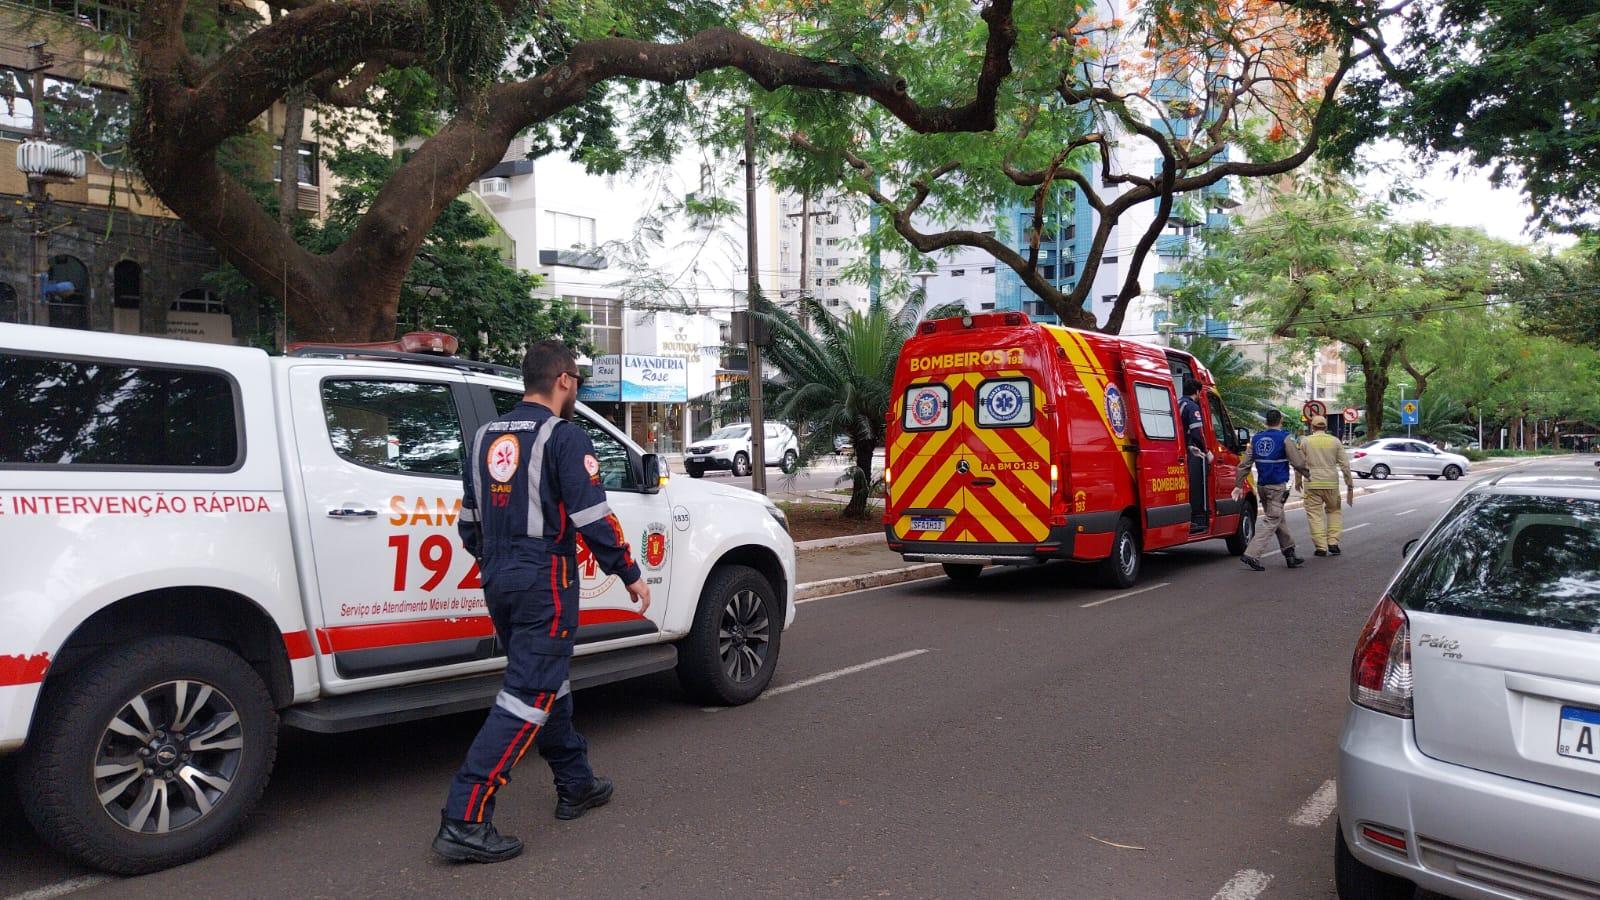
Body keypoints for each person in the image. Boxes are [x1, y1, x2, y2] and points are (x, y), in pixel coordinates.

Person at [433, 340, 651, 864]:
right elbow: (593, 518)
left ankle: (576, 781)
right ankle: (465, 817)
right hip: (544, 582)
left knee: (549, 681)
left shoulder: (485, 435)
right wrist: (630, 573)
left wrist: (498, 562)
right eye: (575, 380)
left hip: (500, 579)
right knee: (526, 694)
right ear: (564, 381)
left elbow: (468, 524)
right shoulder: (563, 435)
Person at [1231, 409, 1308, 571]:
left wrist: (1238, 484)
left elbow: (1244, 464)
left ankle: (1290, 554)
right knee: (1272, 519)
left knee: (1279, 518)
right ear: (1280, 421)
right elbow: (1298, 462)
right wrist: (1308, 474)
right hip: (1276, 486)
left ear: (1266, 422)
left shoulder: (1257, 438)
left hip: (1262, 486)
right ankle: (1252, 554)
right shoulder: (1284, 438)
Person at [1298, 414, 1355, 557]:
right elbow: (1345, 465)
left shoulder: (1306, 442)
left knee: (1315, 515)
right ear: (1326, 427)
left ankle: (1321, 547)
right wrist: (1349, 483)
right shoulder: (1335, 441)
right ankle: (1333, 542)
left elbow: (1300, 464)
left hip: (1312, 483)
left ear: (1312, 427)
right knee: (1334, 511)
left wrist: (1298, 481)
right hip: (1331, 483)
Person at [1177, 377, 1213, 531]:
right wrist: (1206, 451)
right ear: (1197, 392)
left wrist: (1189, 446)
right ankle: (1192, 518)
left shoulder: (1178, 402)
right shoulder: (1192, 407)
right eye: (1199, 393)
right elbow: (1197, 432)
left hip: (1180, 448)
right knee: (1191, 484)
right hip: (1185, 453)